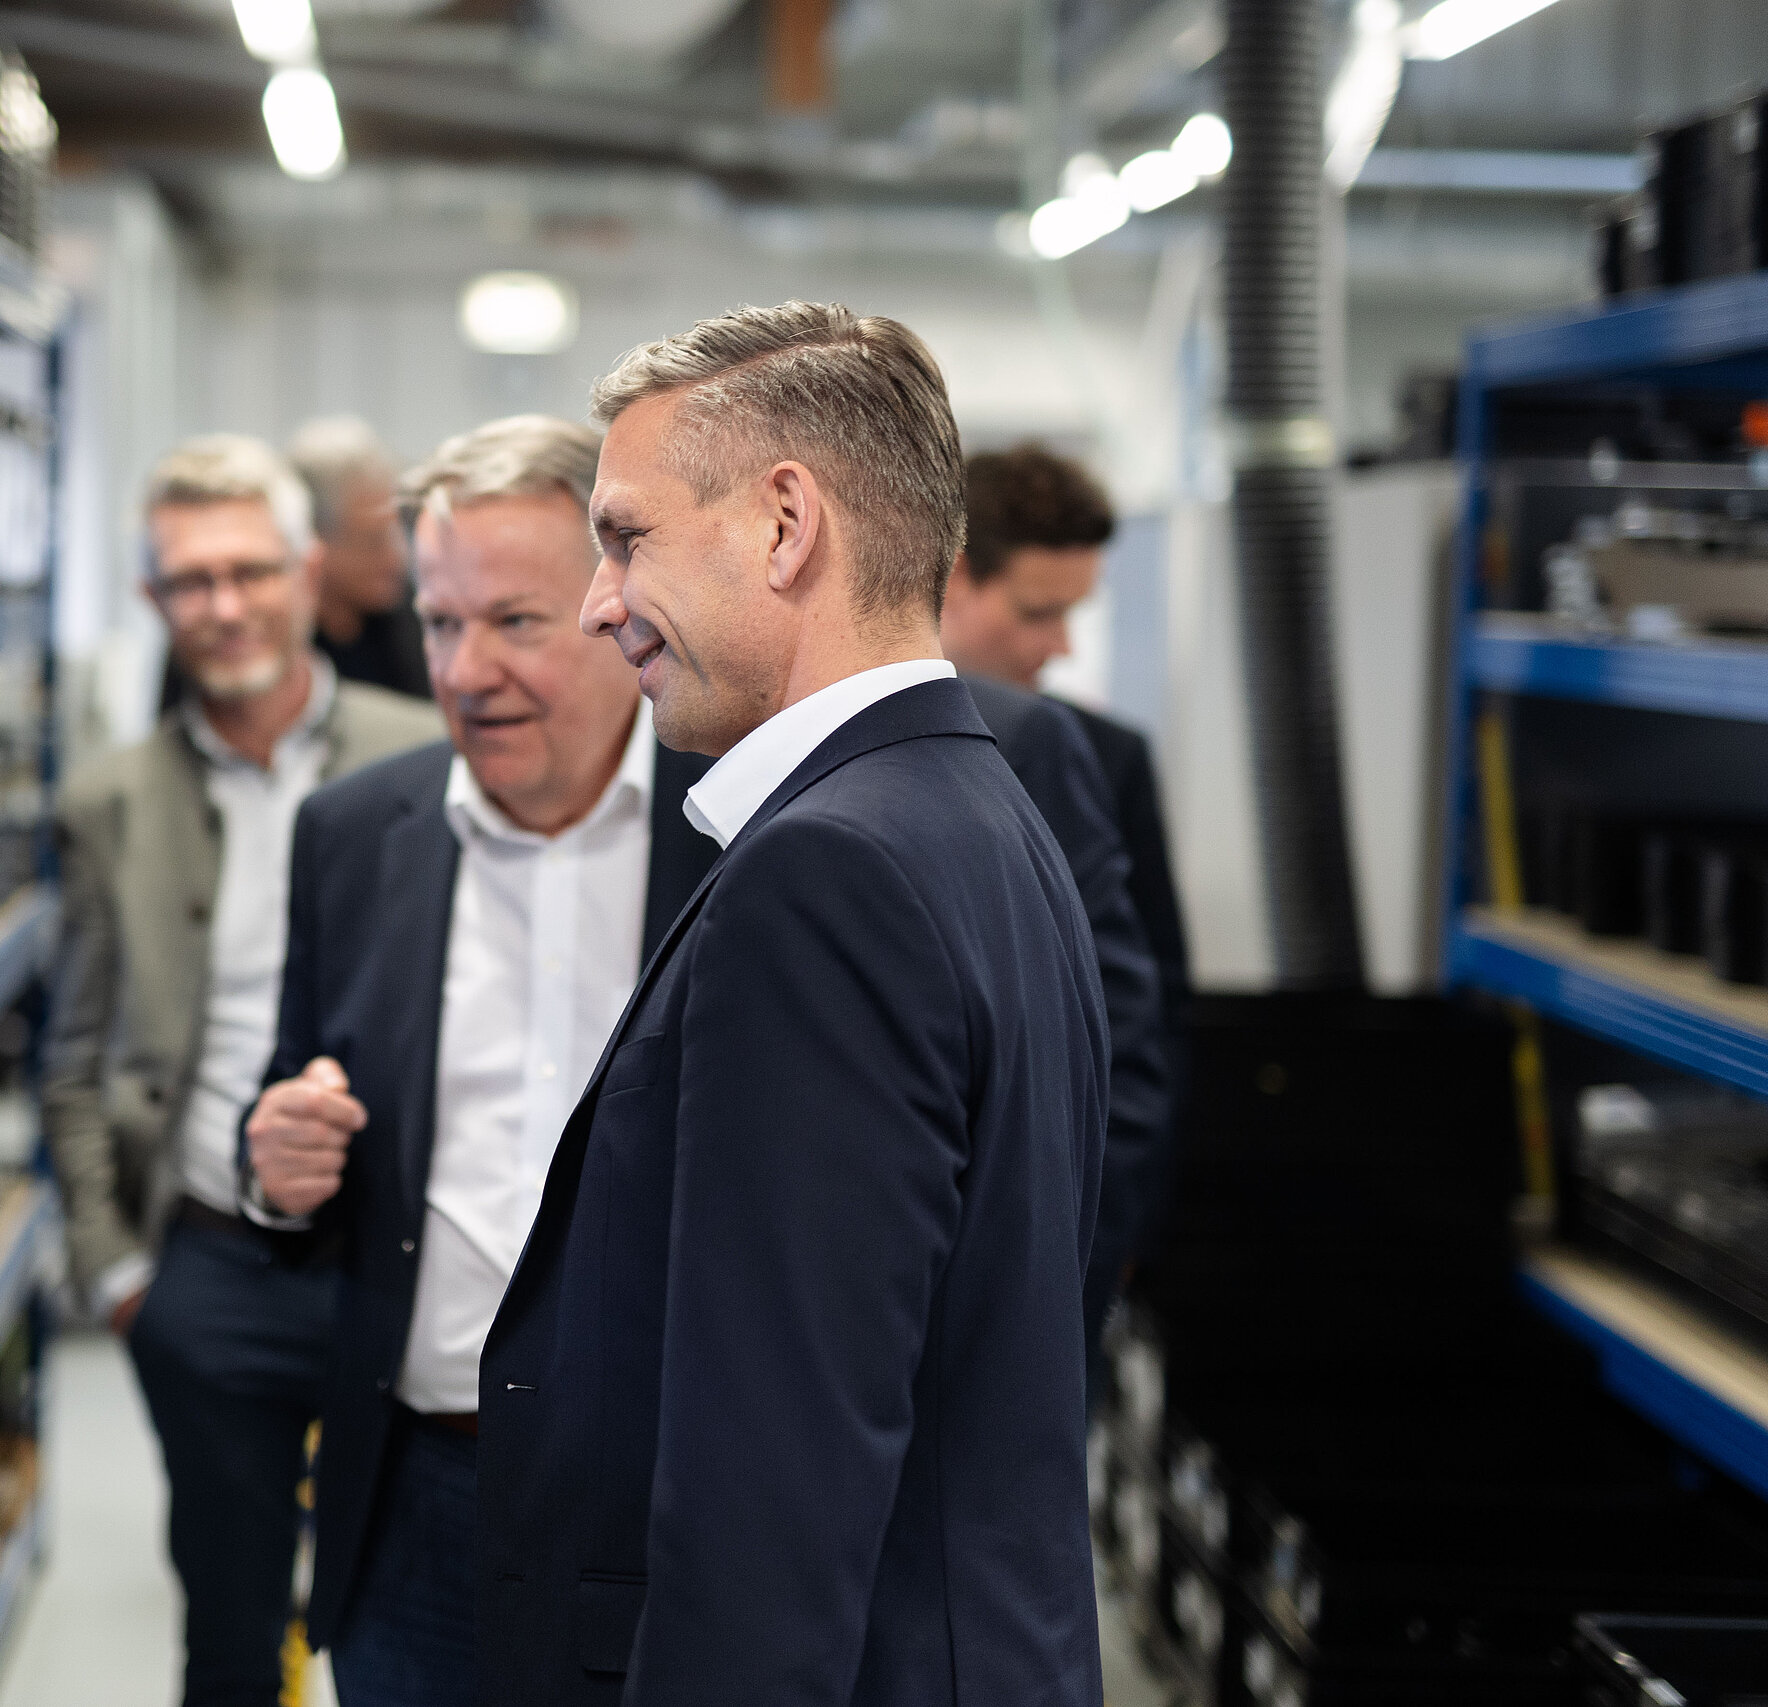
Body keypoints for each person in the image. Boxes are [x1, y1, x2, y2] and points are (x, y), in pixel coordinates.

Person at [481, 303, 1109, 1706]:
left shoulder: (825, 875)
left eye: (627, 535)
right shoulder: (974, 812)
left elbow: (774, 1481)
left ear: (783, 524)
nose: (599, 600)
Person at [239, 415, 720, 1707]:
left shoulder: (742, 841)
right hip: (416, 1506)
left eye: (515, 619)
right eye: (440, 622)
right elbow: (299, 1136)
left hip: (667, 1508)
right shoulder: (356, 834)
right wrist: (274, 1169)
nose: (466, 668)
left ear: (622, 607)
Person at [43, 434, 439, 1707]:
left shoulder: (424, 753)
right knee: (229, 1628)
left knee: (411, 1620)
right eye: (187, 582)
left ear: (308, 571)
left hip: (403, 1265)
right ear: (156, 602)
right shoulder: (110, 799)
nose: (221, 607)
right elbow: (72, 1055)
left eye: (247, 572)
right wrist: (119, 1274)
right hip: (206, 1271)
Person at [941, 443, 1192, 1340]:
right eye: (1038, 612)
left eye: (1074, 613)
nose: (1063, 647)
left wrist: (1103, 1236)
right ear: (953, 573)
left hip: (1032, 1268)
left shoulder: (1101, 759)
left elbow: (1146, 1017)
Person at [293, 416, 432, 699]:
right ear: (315, 539)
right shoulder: (270, 638)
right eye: (371, 543)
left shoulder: (420, 617)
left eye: (398, 535)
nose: (398, 559)